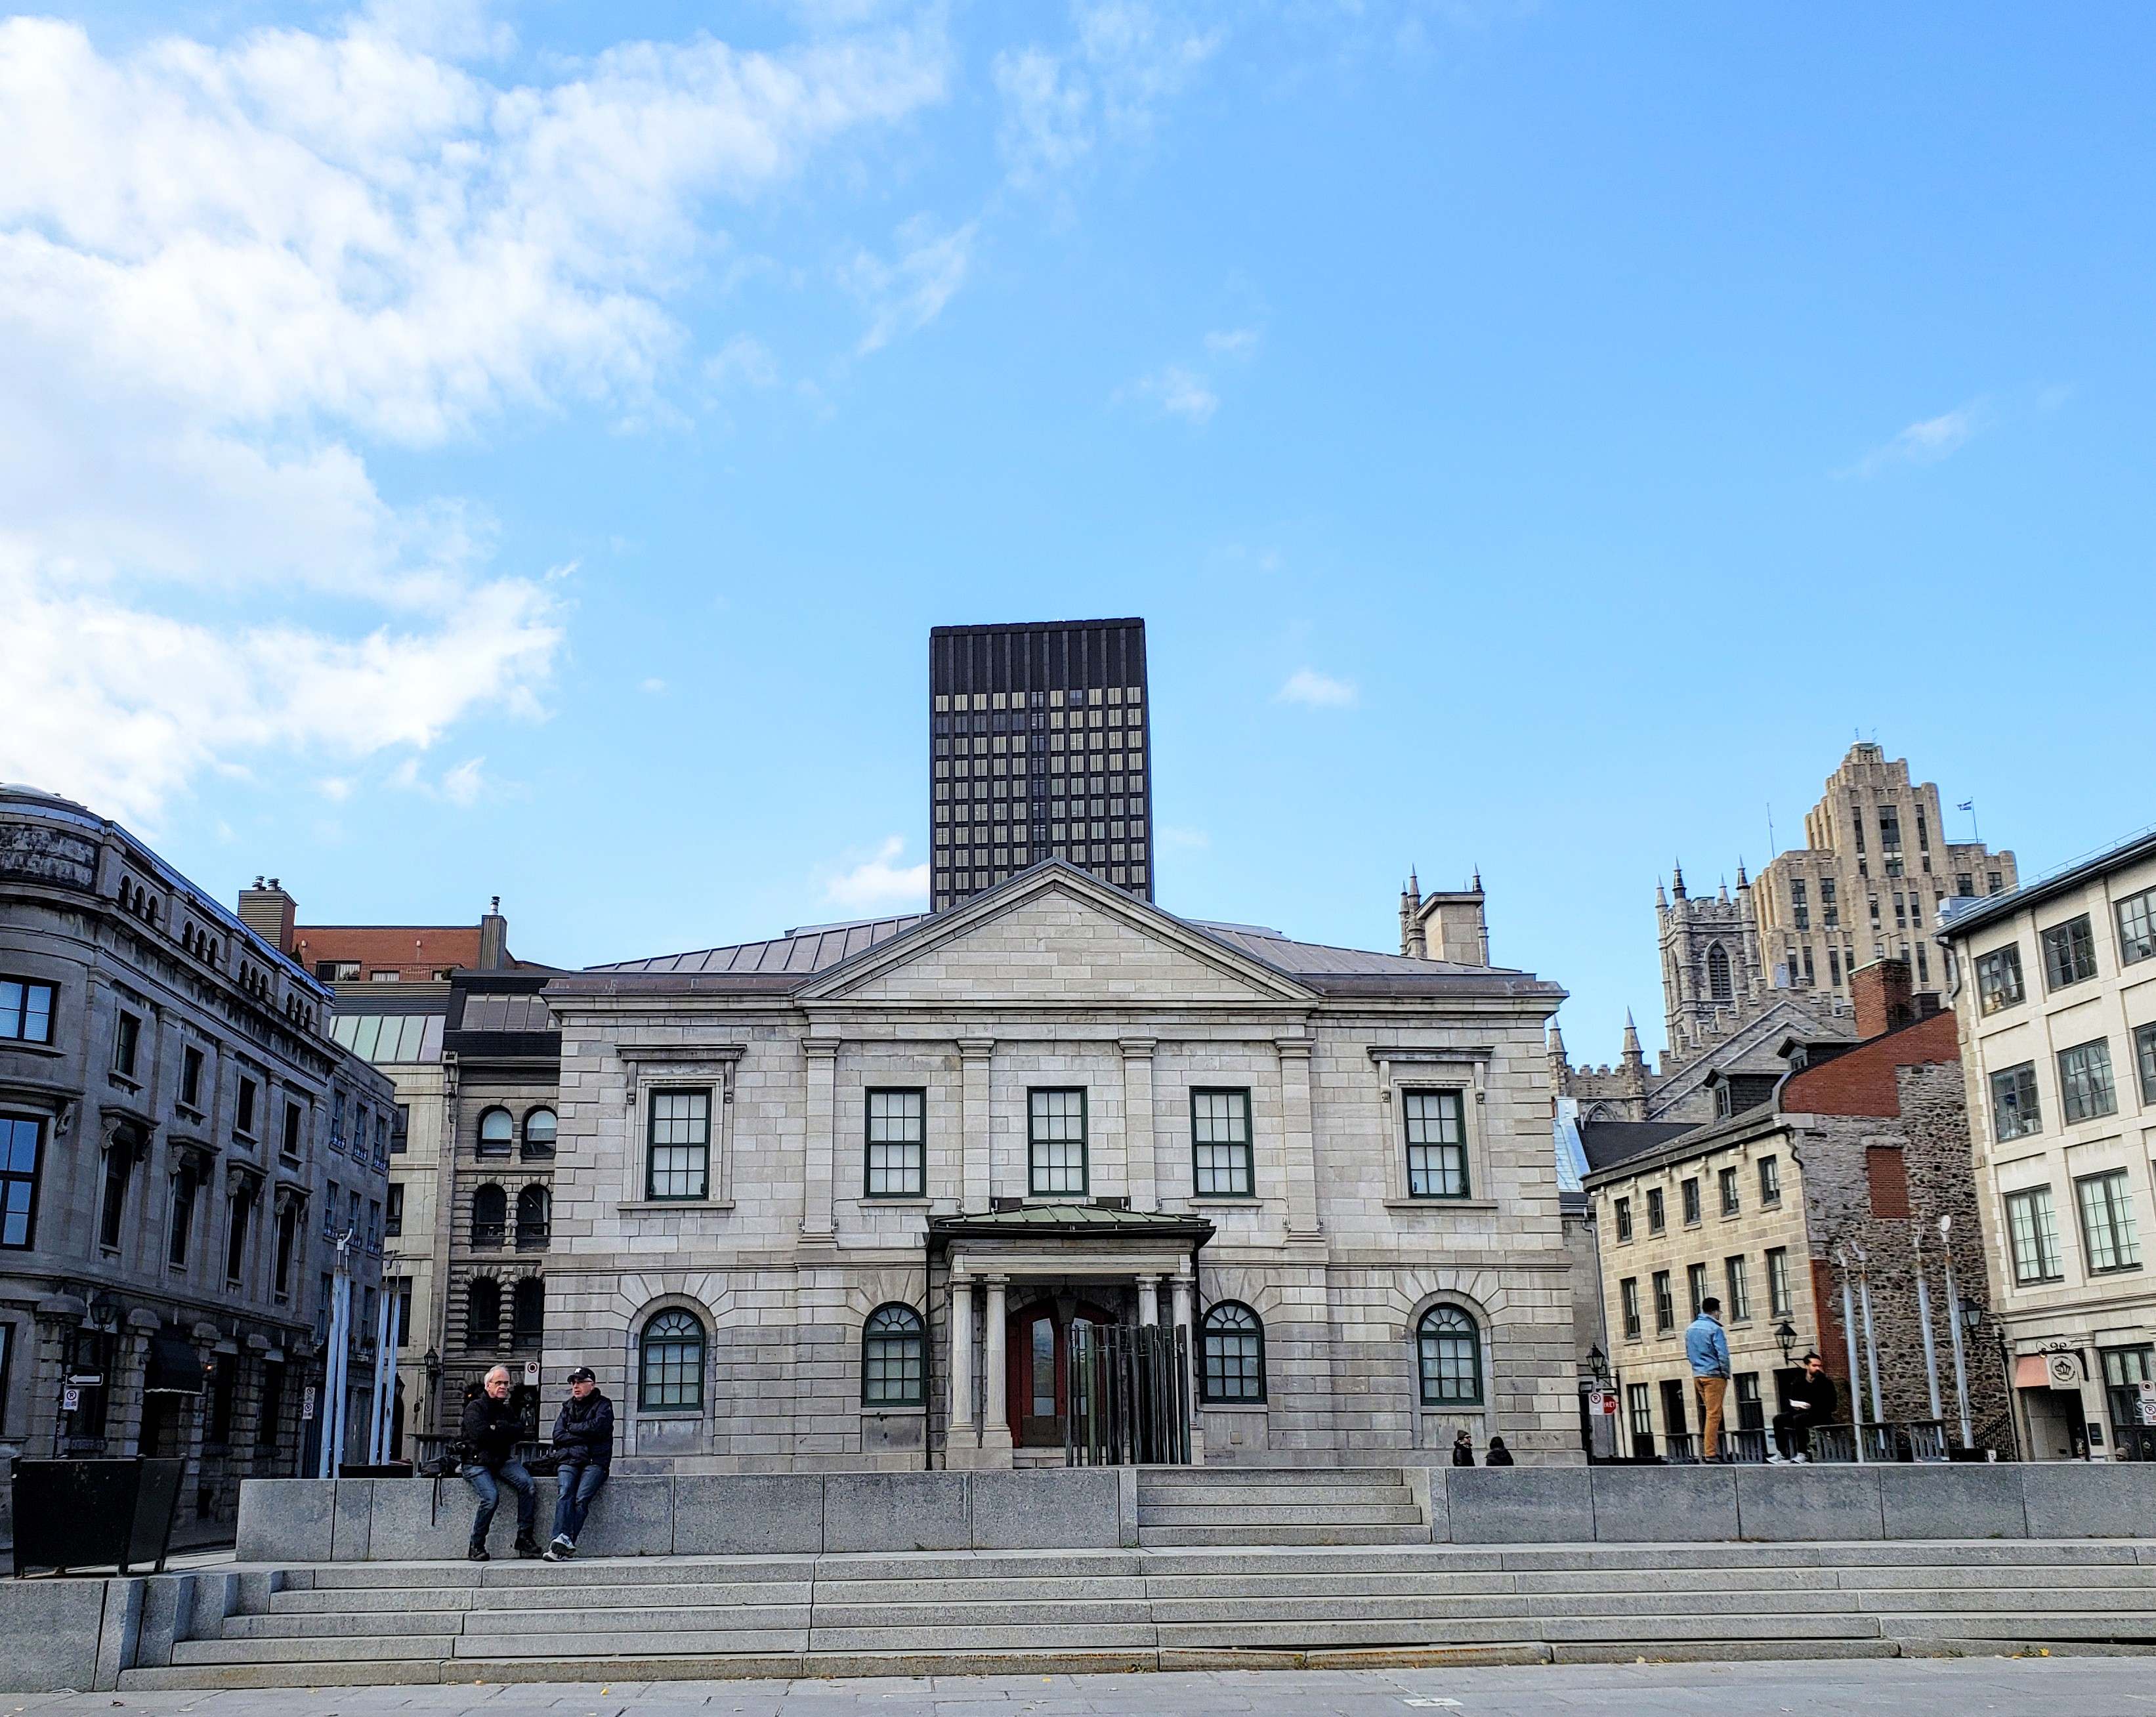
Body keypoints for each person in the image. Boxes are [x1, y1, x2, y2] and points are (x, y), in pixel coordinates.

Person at [462, 1365, 538, 1561]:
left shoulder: (506, 1409)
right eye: (498, 1383)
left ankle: (524, 1536)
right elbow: (480, 1435)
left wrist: (498, 1428)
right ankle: (476, 1544)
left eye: (506, 1383)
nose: (503, 1387)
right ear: (488, 1385)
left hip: (501, 1460)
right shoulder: (475, 1408)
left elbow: (519, 1432)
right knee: (491, 1498)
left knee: (528, 1485)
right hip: (477, 1462)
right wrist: (503, 1433)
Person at [545, 1366, 614, 1561]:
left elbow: (598, 1429)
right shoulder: (567, 1407)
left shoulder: (604, 1405)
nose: (576, 1386)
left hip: (595, 1460)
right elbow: (558, 1436)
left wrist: (572, 1429)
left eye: (581, 1382)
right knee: (565, 1492)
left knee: (581, 1498)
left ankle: (563, 1542)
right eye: (574, 1383)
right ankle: (559, 1540)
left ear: (592, 1384)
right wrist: (584, 1436)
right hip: (569, 1458)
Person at [1685, 1295, 1732, 1460]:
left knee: (1709, 1413)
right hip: (1714, 1376)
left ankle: (1710, 1450)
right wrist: (1725, 1373)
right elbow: (1723, 1355)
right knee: (1714, 1415)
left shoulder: (1690, 1329)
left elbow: (1689, 1354)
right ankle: (1710, 1453)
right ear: (1716, 1311)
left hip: (1698, 1375)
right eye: (1719, 1312)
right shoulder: (1715, 1329)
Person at [1771, 1353, 1837, 1462]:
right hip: (1800, 1412)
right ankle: (1783, 1453)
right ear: (1806, 1366)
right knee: (1778, 1419)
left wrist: (1812, 1406)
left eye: (1819, 1366)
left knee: (1799, 1419)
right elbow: (1790, 1398)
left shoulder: (1826, 1383)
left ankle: (1803, 1453)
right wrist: (1794, 1405)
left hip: (1820, 1415)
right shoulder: (1798, 1381)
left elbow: (1832, 1405)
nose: (1817, 1368)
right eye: (1814, 1366)